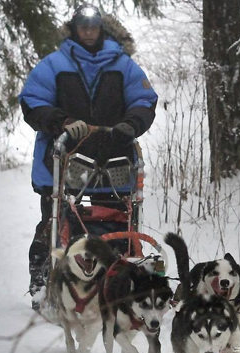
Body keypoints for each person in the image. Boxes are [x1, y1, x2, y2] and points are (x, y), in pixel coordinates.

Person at [19, 3, 158, 308]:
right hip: (63, 158)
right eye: (83, 27)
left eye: (94, 27)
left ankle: (116, 280)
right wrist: (63, 123)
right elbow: (32, 99)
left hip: (113, 159)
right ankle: (43, 281)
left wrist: (130, 125)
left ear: (101, 30)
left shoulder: (123, 66)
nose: (89, 32)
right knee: (53, 220)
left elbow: (144, 99)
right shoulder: (54, 65)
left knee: (118, 222)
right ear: (74, 30)